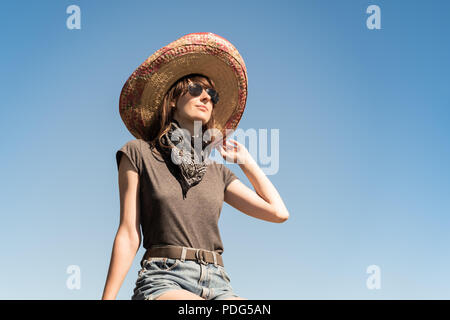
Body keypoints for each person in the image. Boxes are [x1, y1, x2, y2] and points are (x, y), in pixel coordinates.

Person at [101, 33, 289, 300]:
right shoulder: (138, 153)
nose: (206, 97)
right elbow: (129, 233)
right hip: (164, 277)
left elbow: (278, 213)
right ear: (173, 99)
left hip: (219, 281)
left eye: (212, 94)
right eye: (195, 89)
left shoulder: (217, 173)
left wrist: (247, 162)